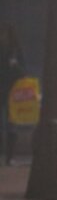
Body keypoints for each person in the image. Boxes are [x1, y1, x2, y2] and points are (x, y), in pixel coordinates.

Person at [0, 23, 24, 164]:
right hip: (4, 89)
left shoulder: (16, 51)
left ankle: (10, 156)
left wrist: (15, 66)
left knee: (11, 125)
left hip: (13, 91)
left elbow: (23, 72)